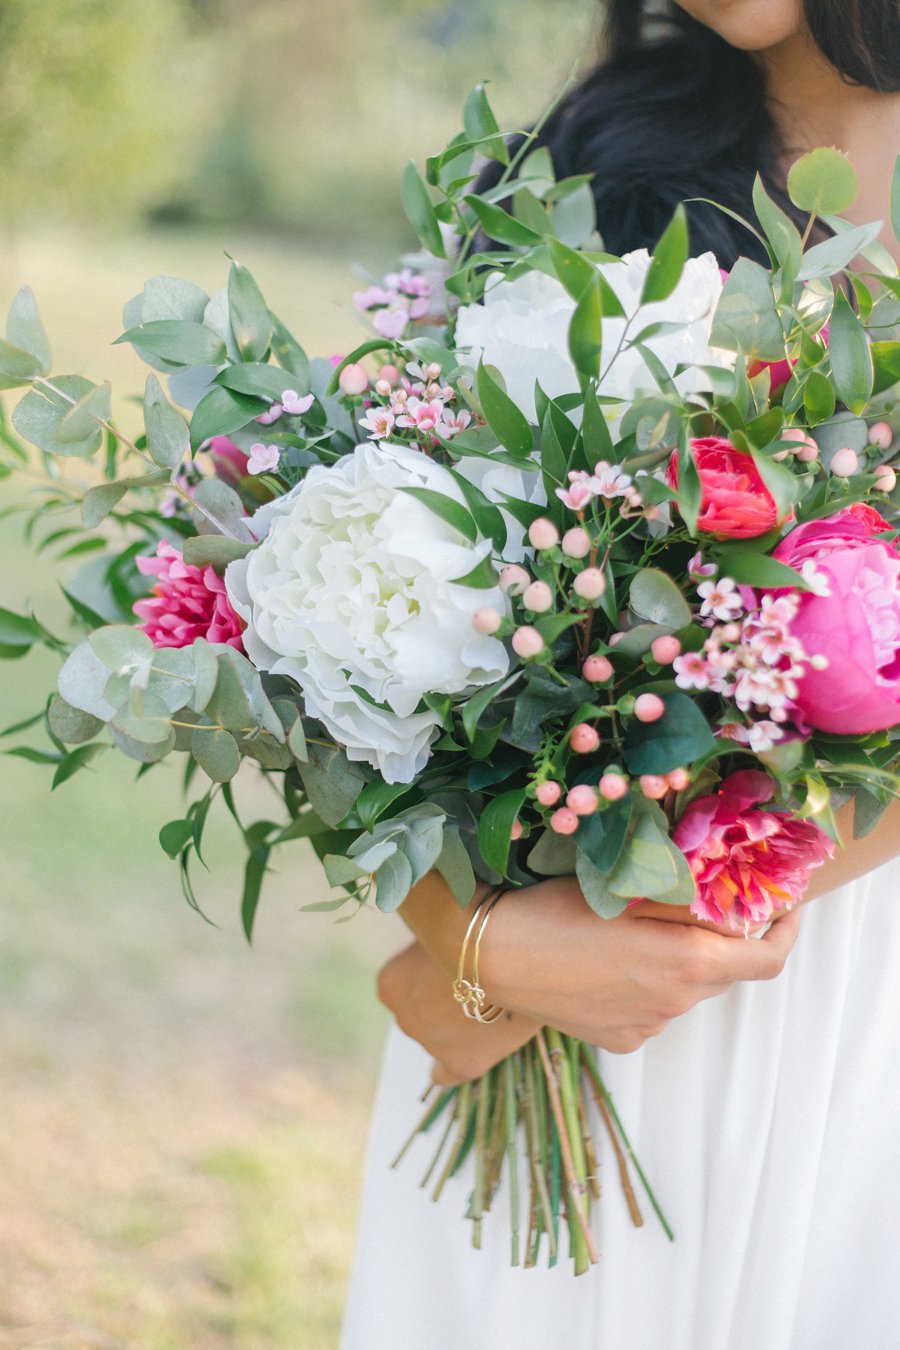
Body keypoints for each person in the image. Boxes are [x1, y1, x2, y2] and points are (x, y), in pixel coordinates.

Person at [341, 4, 900, 1347]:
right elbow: (404, 620)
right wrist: (462, 942)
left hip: (835, 985)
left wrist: (640, 926)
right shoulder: (598, 156)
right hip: (564, 1006)